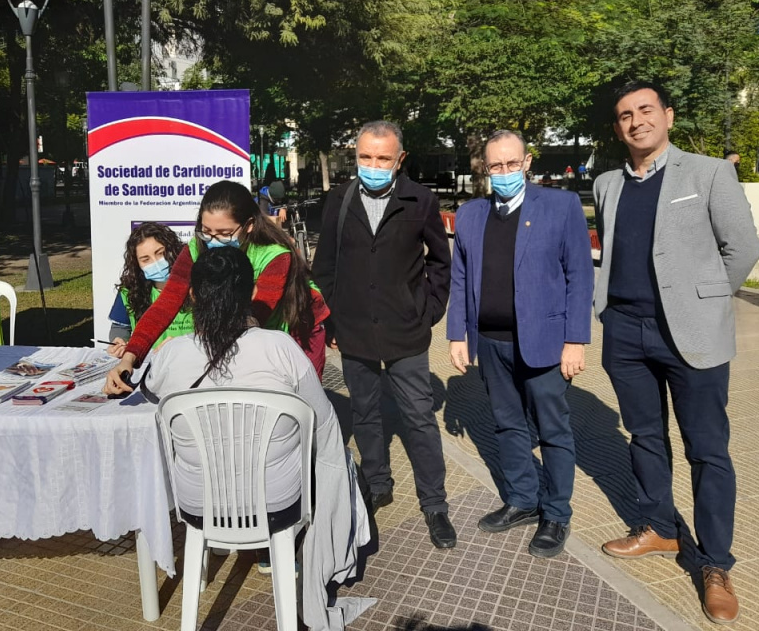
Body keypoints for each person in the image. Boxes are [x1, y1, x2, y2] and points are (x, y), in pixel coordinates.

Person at [594, 81, 759, 625]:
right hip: (625, 332)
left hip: (690, 336)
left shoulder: (708, 173)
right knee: (645, 436)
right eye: (625, 115)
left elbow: (743, 247)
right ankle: (660, 527)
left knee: (707, 450)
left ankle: (715, 563)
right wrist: (606, 313)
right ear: (617, 127)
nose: (636, 121)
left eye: (646, 110)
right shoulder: (607, 184)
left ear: (667, 115)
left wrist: (705, 301)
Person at [140, 247, 370, 629]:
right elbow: (323, 422)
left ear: (193, 296)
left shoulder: (172, 354)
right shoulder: (281, 348)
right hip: (276, 502)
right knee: (333, 458)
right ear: (251, 293)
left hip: (197, 504)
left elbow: (149, 391)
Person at [446, 130, 593, 559]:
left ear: (527, 162)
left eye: (512, 163)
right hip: (491, 342)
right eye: (496, 165)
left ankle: (556, 513)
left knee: (552, 429)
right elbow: (460, 277)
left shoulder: (561, 206)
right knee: (507, 425)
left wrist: (575, 340)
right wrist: (457, 333)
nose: (505, 172)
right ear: (485, 168)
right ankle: (523, 500)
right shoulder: (471, 214)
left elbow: (580, 276)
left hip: (544, 342)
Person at [312, 120, 456, 549]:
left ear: (400, 159)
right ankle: (377, 483)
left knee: (418, 418)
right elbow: (325, 266)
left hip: (405, 331)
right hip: (354, 330)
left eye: (383, 158)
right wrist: (332, 320)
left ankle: (435, 503)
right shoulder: (339, 199)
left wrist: (428, 311)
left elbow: (440, 262)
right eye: (365, 157)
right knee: (365, 412)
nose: (373, 166)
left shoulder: (420, 200)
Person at [104, 180, 329, 392]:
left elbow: (253, 318)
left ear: (249, 225)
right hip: (254, 332)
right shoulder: (195, 248)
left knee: (299, 400)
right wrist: (129, 358)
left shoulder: (275, 256)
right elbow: (165, 304)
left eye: (224, 234)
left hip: (298, 330)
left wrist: (183, 349)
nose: (213, 240)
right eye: (206, 231)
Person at [106, 222, 193, 358]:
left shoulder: (198, 285)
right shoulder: (129, 291)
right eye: (145, 259)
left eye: (160, 253)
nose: (156, 262)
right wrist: (119, 341)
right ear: (137, 264)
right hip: (148, 361)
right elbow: (120, 327)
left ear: (173, 249)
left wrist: (181, 343)